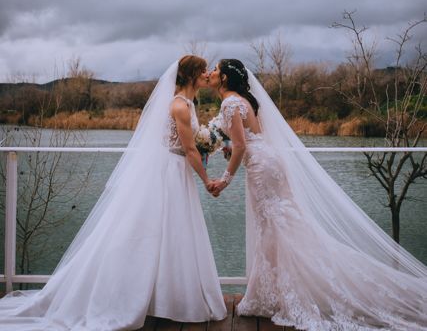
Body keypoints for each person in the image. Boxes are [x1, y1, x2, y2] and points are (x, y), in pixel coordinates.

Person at [0, 56, 227, 330]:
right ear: (192, 75)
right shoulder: (179, 105)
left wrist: (206, 147)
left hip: (176, 171)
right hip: (170, 173)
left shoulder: (188, 103)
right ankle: (134, 297)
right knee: (152, 232)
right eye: (203, 70)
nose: (206, 74)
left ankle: (166, 299)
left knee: (175, 233)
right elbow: (189, 149)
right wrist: (206, 180)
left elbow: (190, 145)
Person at [209, 58, 427, 330]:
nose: (211, 73)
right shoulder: (244, 101)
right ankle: (268, 294)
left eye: (215, 70)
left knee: (273, 228)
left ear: (226, 78)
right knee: (279, 226)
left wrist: (224, 180)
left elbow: (241, 145)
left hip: (260, 169)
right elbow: (254, 137)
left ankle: (274, 296)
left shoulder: (230, 103)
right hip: (270, 162)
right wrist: (231, 145)